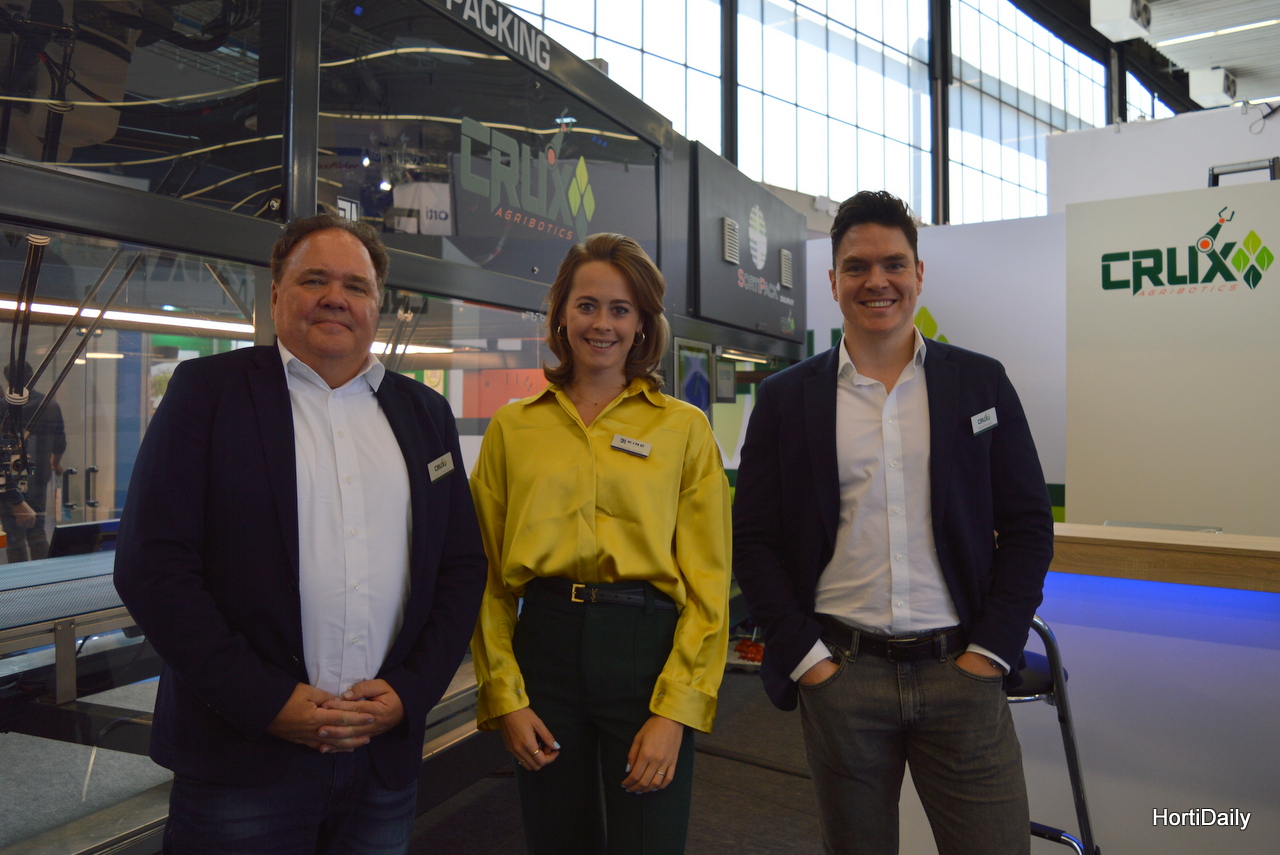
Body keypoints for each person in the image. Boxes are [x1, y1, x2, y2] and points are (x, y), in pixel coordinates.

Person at [113, 214, 487, 854]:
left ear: (376, 304)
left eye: (355, 285)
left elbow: (459, 566)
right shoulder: (209, 393)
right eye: (314, 280)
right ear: (276, 294)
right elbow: (153, 568)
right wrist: (264, 702)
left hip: (381, 759)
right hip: (243, 759)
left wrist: (411, 692)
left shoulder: (424, 412)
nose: (335, 297)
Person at [732, 191, 1054, 855]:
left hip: (962, 672)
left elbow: (1028, 526)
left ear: (918, 273)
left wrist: (991, 650)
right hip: (842, 675)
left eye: (893, 264)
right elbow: (754, 539)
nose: (875, 280)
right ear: (833, 281)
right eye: (856, 267)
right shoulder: (786, 398)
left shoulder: (980, 383)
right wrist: (806, 658)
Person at [469, 233, 732, 855]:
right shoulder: (512, 427)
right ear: (561, 313)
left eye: (620, 309)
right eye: (586, 305)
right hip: (546, 648)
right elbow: (485, 577)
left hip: (647, 651)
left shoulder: (684, 429)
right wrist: (505, 696)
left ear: (642, 323)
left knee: (650, 839)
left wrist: (676, 711)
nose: (602, 324)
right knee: (556, 839)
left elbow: (709, 583)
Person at [0, 360, 66, 561]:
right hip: (38, 477)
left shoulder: (3, 406)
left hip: (9, 478)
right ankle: (42, 576)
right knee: (37, 532)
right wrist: (55, 463)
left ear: (7, 380)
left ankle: (20, 578)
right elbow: (60, 442)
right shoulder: (50, 405)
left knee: (14, 537)